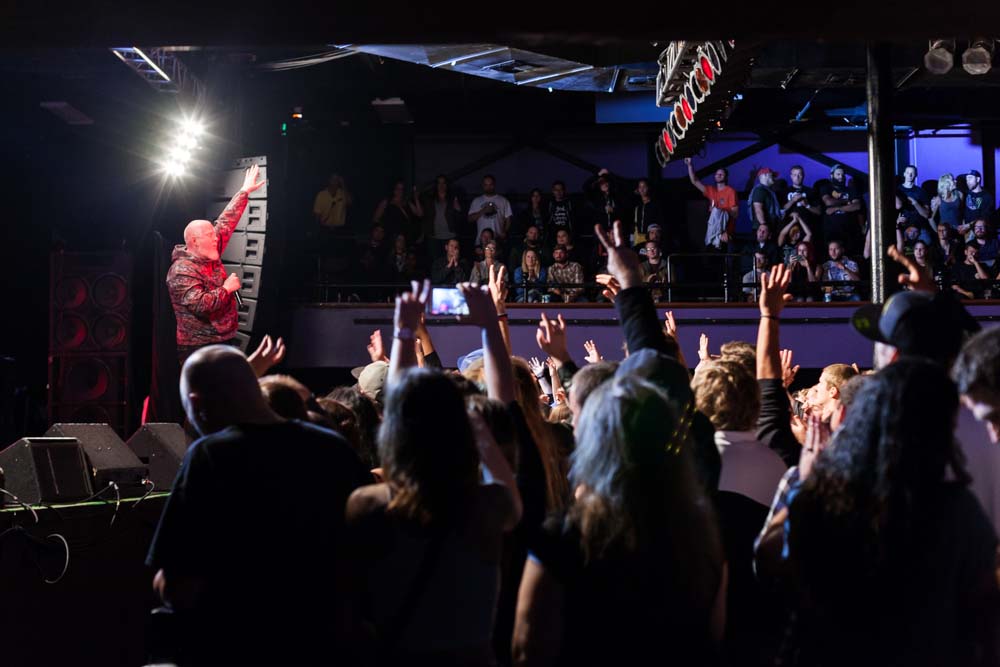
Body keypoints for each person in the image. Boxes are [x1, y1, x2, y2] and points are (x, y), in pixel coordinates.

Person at [147, 345, 370, 665]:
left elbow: (177, 585)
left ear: (196, 404)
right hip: (326, 642)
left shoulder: (210, 456)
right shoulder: (332, 446)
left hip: (238, 645)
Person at [345, 280, 522, 665]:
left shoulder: (371, 503)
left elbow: (402, 410)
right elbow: (505, 408)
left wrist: (404, 332)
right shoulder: (489, 507)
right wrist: (490, 324)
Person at [784, 360, 999, 667]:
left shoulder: (835, 494)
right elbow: (984, 616)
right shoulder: (958, 509)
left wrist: (809, 484)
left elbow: (778, 565)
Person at [512, 376, 727, 667]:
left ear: (592, 442)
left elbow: (526, 648)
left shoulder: (564, 534)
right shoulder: (704, 533)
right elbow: (713, 638)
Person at [167, 165, 266, 366]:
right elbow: (200, 305)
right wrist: (227, 288)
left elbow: (226, 222)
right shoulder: (181, 270)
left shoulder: (207, 250)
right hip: (199, 346)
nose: (216, 239)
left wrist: (244, 191)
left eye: (214, 234)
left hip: (222, 339)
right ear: (194, 242)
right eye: (210, 236)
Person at [685, 157, 739, 249]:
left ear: (726, 176)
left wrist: (719, 210)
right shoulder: (711, 190)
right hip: (712, 232)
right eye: (717, 174)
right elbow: (695, 181)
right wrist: (690, 165)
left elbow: (735, 214)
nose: (719, 175)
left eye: (721, 174)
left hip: (725, 233)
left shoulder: (730, 191)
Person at [819, 164, 863, 255]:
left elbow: (857, 206)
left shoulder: (851, 190)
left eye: (843, 175)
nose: (841, 177)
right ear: (832, 175)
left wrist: (837, 208)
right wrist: (847, 201)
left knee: (849, 257)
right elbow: (828, 202)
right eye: (838, 174)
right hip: (831, 230)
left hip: (849, 231)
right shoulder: (826, 188)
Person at [422, 174, 463, 260]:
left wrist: (458, 209)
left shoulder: (452, 198)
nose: (441, 185)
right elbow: (423, 215)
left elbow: (461, 218)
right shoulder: (430, 199)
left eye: (443, 183)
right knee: (435, 262)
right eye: (439, 183)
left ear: (447, 184)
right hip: (434, 237)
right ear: (436, 185)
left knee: (451, 261)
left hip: (450, 237)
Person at [469, 174, 513, 240]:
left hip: (497, 238)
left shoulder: (503, 200)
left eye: (490, 185)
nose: (488, 187)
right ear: (483, 186)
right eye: (486, 185)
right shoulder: (476, 201)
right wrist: (483, 211)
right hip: (481, 240)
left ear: (494, 185)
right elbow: (470, 219)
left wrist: (504, 232)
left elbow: (508, 219)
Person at [780, 165, 821, 232]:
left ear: (803, 176)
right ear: (791, 176)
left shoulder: (811, 191)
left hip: (807, 227)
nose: (797, 177)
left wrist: (807, 205)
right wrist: (792, 200)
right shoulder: (784, 191)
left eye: (800, 174)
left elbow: (819, 212)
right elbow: (781, 210)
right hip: (789, 227)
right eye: (795, 175)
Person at [896, 164, 932, 231]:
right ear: (904, 174)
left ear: (916, 175)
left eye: (912, 173)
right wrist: (897, 220)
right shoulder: (897, 190)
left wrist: (915, 203)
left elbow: (926, 215)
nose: (910, 175)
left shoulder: (921, 192)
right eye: (908, 173)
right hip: (902, 226)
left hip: (918, 227)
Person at [632, 178, 665, 246]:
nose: (642, 189)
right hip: (638, 237)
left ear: (649, 188)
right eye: (640, 187)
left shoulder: (655, 204)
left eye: (644, 186)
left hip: (651, 237)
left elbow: (660, 221)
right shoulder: (638, 206)